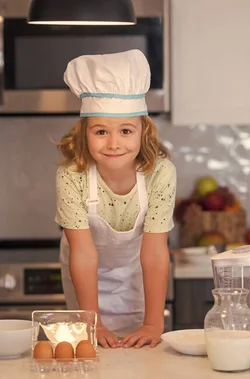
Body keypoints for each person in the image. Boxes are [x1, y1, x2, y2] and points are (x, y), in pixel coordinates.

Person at [54, 49, 176, 349]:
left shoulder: (160, 173)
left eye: (125, 131)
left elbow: (156, 253)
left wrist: (153, 324)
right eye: (100, 131)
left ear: (142, 132)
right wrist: (91, 320)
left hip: (139, 277)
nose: (113, 143)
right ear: (84, 134)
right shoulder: (71, 175)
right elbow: (83, 253)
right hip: (84, 281)